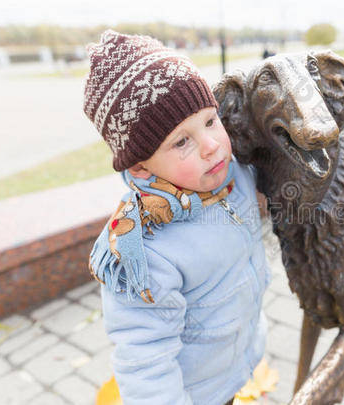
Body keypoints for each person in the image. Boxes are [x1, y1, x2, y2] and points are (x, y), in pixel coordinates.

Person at [82, 30, 271, 405]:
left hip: (238, 361)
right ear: (139, 168)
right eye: (181, 141)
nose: (211, 145)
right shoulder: (144, 251)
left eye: (210, 121)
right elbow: (145, 360)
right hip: (197, 392)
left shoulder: (234, 173)